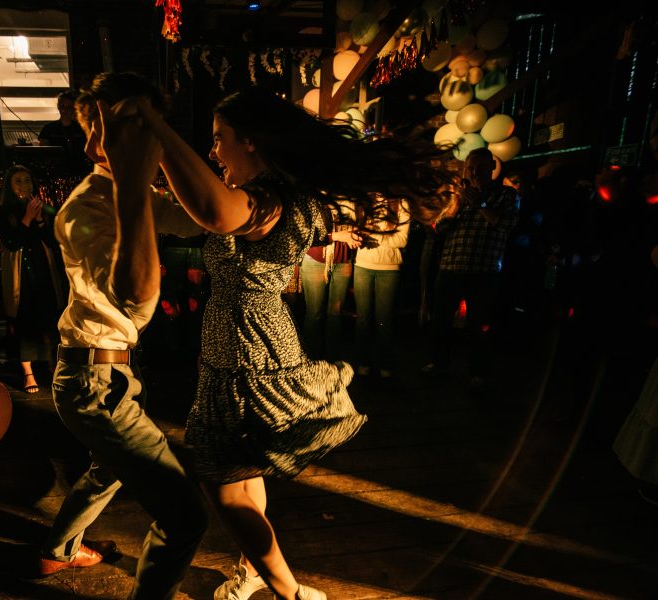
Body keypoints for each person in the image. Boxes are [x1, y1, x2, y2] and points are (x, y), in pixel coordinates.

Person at [131, 87, 453, 600]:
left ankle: (291, 593)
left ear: (252, 142)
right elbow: (203, 211)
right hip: (236, 350)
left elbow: (215, 213)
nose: (214, 152)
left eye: (220, 140)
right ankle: (254, 570)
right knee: (243, 477)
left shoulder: (273, 200)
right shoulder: (268, 193)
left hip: (250, 353)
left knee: (225, 488)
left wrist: (155, 127)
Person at [39, 73, 208, 600]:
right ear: (98, 140)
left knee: (106, 470)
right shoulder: (85, 209)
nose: (149, 140)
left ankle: (58, 552)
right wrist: (138, 178)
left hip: (104, 375)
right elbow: (135, 299)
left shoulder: (128, 194)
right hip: (93, 383)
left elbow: (201, 220)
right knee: (184, 517)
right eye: (135, 128)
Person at [422, 147, 519, 386]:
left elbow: (506, 224)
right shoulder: (458, 195)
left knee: (480, 325)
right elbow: (438, 230)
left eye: (480, 168)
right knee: (441, 321)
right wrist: (455, 206)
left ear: (492, 168)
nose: (474, 173)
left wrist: (481, 204)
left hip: (484, 271)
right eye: (471, 167)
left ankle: (477, 372)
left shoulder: (506, 195)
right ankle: (438, 364)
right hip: (451, 267)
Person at [0, 165, 66, 394]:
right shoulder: (2, 211)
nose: (24, 186)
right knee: (24, 320)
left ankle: (53, 364)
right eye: (18, 181)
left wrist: (41, 221)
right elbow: (11, 242)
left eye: (27, 181)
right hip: (20, 272)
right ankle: (28, 372)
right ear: (9, 186)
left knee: (49, 315)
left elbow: (54, 242)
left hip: (43, 268)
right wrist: (26, 219)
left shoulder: (43, 207)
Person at [353, 196, 411, 378]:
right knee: (363, 318)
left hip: (389, 268)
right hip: (363, 264)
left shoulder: (401, 204)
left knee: (384, 319)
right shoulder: (364, 203)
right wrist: (385, 235)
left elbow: (402, 240)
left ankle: (384, 362)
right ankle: (363, 362)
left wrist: (373, 236)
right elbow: (358, 232)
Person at [299, 201, 362, 361]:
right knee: (314, 313)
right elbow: (304, 234)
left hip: (343, 260)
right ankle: (312, 361)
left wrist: (353, 235)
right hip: (316, 259)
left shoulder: (350, 199)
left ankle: (332, 360)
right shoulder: (313, 199)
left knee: (336, 314)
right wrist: (338, 236)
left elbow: (356, 225)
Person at [38, 90, 91, 176]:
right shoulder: (48, 129)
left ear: (74, 108)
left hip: (80, 171)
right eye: (62, 106)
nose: (64, 110)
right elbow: (44, 153)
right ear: (58, 107)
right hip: (56, 172)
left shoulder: (82, 128)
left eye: (68, 107)